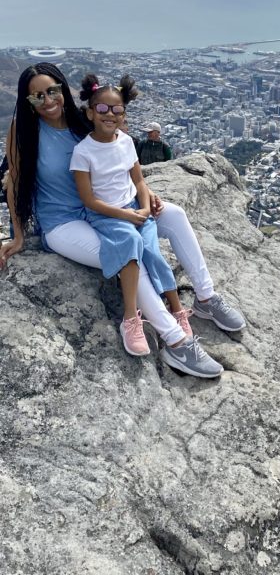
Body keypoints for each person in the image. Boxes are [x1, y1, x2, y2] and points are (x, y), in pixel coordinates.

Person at [1, 63, 246, 380]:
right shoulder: (25, 130)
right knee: (129, 252)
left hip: (110, 207)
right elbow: (14, 182)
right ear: (28, 101)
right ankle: (176, 340)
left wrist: (146, 192)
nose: (47, 100)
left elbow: (119, 162)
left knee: (174, 214)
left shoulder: (84, 120)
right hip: (63, 223)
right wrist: (18, 236)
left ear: (63, 89)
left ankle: (206, 297)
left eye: (52, 91)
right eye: (36, 96)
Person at [71, 73, 193, 360]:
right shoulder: (82, 152)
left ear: (124, 113)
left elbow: (138, 181)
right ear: (90, 112)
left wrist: (145, 207)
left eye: (117, 110)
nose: (109, 115)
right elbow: (88, 200)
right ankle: (130, 318)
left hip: (134, 209)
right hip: (106, 216)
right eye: (102, 109)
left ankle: (177, 311)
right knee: (130, 246)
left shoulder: (126, 142)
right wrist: (126, 215)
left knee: (153, 252)